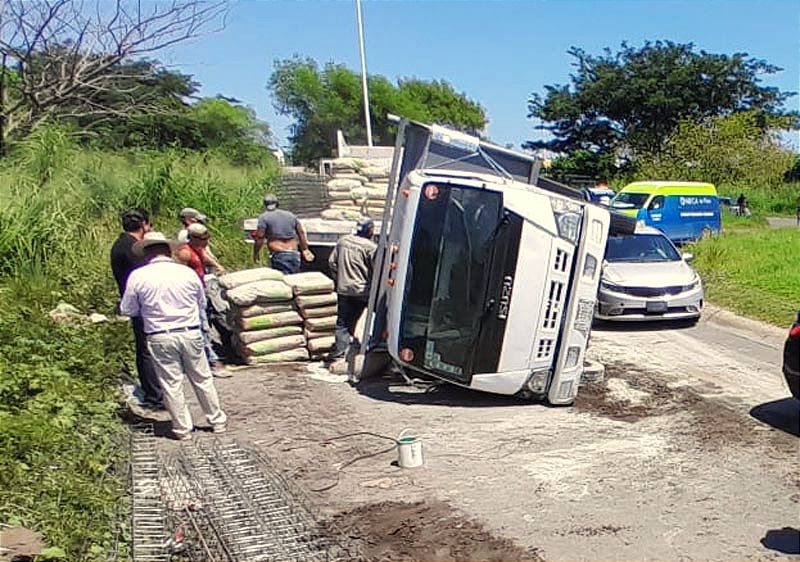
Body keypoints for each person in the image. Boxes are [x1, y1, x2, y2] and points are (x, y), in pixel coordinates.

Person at [120, 232, 227, 440]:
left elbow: (128, 309)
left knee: (171, 383)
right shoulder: (186, 273)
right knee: (202, 378)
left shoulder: (138, 276)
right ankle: (217, 421)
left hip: (160, 334)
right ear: (169, 251)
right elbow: (201, 303)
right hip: (190, 331)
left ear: (146, 253)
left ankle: (182, 428)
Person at [110, 209, 163, 408]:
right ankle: (155, 396)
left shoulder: (122, 244)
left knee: (146, 349)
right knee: (147, 350)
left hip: (136, 304)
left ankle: (156, 393)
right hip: (141, 306)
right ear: (144, 225)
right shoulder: (132, 248)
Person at [176, 223, 229, 378]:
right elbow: (181, 274)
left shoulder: (197, 248)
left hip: (202, 290)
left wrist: (218, 266)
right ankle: (211, 362)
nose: (206, 242)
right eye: (203, 239)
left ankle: (212, 357)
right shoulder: (185, 253)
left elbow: (205, 257)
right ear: (193, 238)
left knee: (212, 319)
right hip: (191, 295)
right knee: (202, 326)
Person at [328, 218, 377, 360]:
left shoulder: (343, 242)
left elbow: (332, 262)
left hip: (344, 290)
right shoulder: (371, 247)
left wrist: (339, 280)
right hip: (363, 291)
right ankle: (369, 348)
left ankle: (341, 351)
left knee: (343, 322)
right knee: (372, 319)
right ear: (370, 231)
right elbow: (376, 269)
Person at [252, 194, 314, 274]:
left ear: (265, 205)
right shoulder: (290, 215)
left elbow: (260, 237)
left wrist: (256, 253)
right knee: (294, 279)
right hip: (294, 254)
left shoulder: (264, 217)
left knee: (283, 281)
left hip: (279, 255)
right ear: (277, 204)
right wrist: (305, 249)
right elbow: (301, 233)